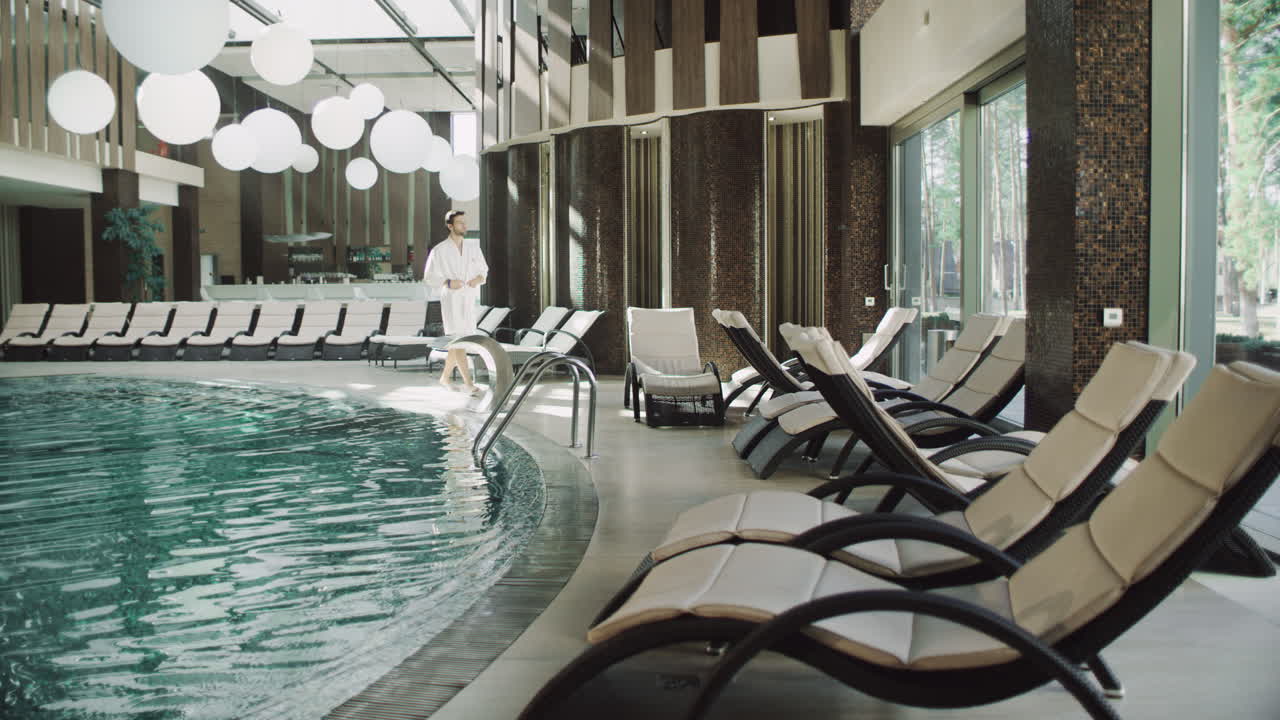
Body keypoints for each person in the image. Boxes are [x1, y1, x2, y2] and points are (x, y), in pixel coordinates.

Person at [423, 210, 488, 392]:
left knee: (462, 339)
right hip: (451, 299)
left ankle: (445, 378)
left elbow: (484, 269)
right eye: (460, 223)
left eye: (464, 222)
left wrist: (479, 279)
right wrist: (447, 282)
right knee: (459, 339)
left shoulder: (473, 247)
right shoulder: (439, 250)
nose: (464, 226)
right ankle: (468, 383)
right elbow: (428, 277)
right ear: (450, 226)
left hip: (468, 298)